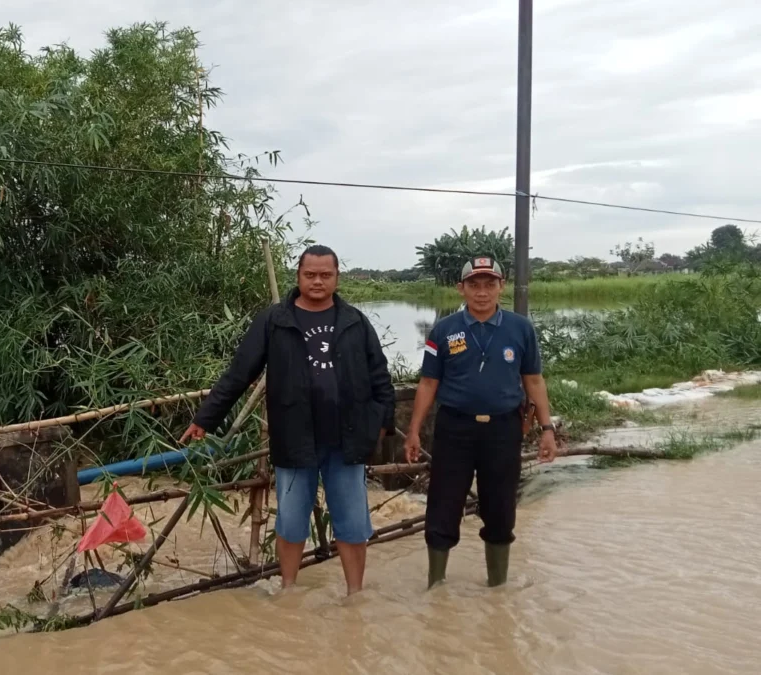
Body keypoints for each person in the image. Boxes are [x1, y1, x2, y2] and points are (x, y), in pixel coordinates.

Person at [180, 245, 396, 595]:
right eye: (310, 274)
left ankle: (355, 595)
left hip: (347, 440)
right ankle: (289, 590)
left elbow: (379, 375)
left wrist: (384, 422)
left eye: (325, 275)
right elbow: (239, 373)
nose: (317, 281)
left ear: (337, 278)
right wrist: (206, 418)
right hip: (295, 438)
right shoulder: (275, 320)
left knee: (354, 524)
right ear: (298, 276)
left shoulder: (355, 321)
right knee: (292, 522)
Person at [403, 256, 557, 589]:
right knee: (443, 505)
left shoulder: (520, 328)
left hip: (503, 430)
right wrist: (413, 431)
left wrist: (547, 430)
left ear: (502, 286)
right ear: (461, 289)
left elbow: (534, 380)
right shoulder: (443, 331)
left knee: (501, 507)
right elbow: (428, 383)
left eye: (490, 284)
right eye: (474, 284)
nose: (482, 292)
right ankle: (436, 586)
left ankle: (497, 589)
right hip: (454, 430)